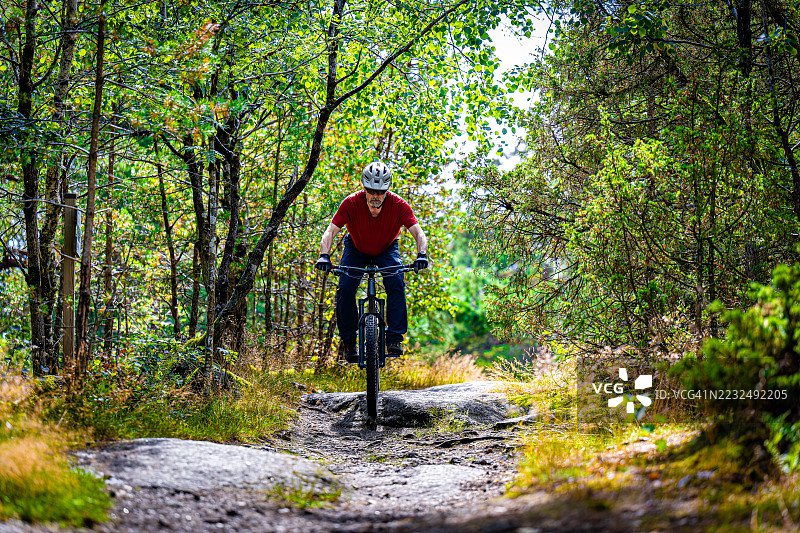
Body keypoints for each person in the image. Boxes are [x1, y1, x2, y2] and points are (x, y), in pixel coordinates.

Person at [314, 161, 428, 363]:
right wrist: (324, 255)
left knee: (396, 282)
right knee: (346, 288)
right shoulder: (351, 203)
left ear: (387, 190)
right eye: (371, 191)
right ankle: (349, 342)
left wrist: (422, 254)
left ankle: (394, 339)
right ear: (364, 188)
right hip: (356, 248)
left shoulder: (399, 205)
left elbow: (418, 232)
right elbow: (330, 231)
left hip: (387, 248)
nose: (375, 196)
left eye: (380, 191)